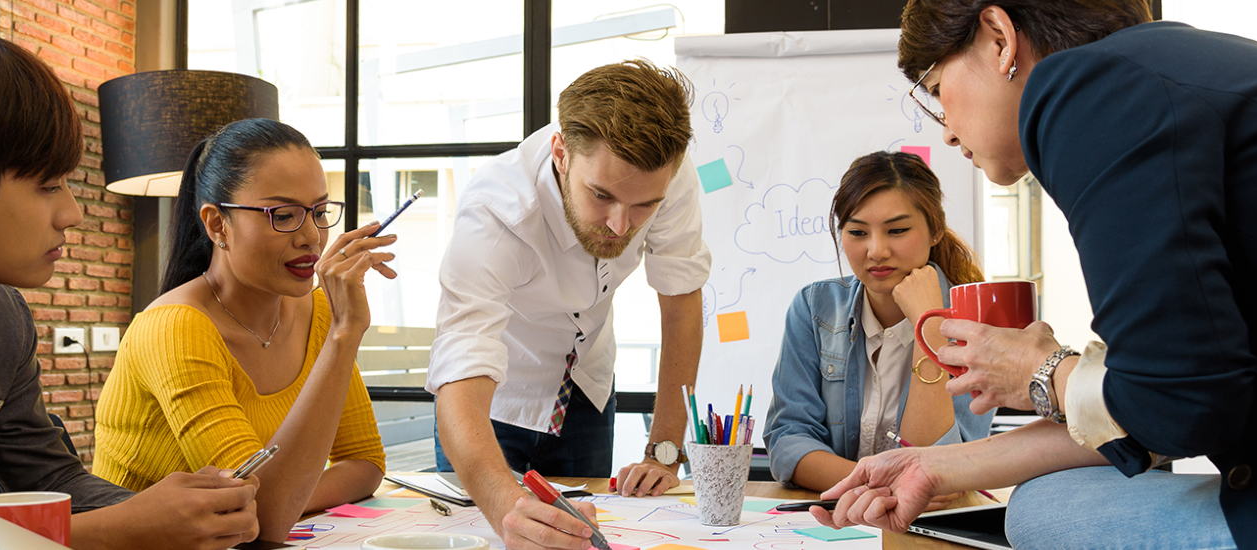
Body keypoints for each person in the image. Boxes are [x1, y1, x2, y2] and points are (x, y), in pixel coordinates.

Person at [811, 2, 1257, 549]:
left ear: (999, 38)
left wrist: (1041, 369)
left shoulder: (1088, 85)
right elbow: (1163, 402)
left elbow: (1174, 405)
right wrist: (932, 467)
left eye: (937, 91)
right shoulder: (1169, 67)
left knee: (1047, 510)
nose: (948, 135)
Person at [0, 29, 259, 549]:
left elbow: (49, 480)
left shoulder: (1, 321)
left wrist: (175, 511)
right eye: (48, 186)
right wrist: (117, 529)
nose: (72, 213)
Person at [428, 60, 710, 550]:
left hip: (587, 388)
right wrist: (505, 507)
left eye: (644, 206)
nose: (622, 226)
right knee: (494, 538)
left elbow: (681, 304)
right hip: (492, 400)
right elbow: (460, 366)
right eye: (601, 195)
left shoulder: (670, 175)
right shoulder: (497, 212)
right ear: (561, 152)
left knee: (579, 539)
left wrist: (664, 450)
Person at [93, 118, 392, 542]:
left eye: (320, 212)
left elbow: (365, 462)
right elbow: (265, 517)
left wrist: (281, 496)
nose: (311, 236)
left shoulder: (319, 310)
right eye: (284, 215)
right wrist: (346, 335)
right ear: (217, 225)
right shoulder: (176, 328)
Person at [763, 151, 993, 497]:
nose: (876, 250)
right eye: (857, 232)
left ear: (935, 231)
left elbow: (945, 465)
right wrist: (881, 486)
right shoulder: (814, 308)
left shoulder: (978, 322)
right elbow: (789, 440)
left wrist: (928, 325)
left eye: (897, 230)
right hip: (839, 517)